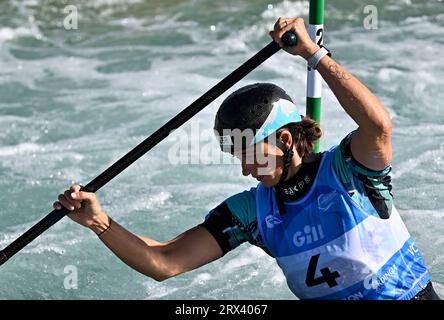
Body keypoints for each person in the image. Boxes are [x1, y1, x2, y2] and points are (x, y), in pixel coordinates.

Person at [53, 17, 440, 300]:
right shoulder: (251, 212)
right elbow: (164, 262)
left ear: (285, 140)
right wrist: (99, 222)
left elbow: (378, 126)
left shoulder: (349, 171)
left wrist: (313, 54)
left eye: (250, 154)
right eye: (237, 156)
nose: (244, 169)